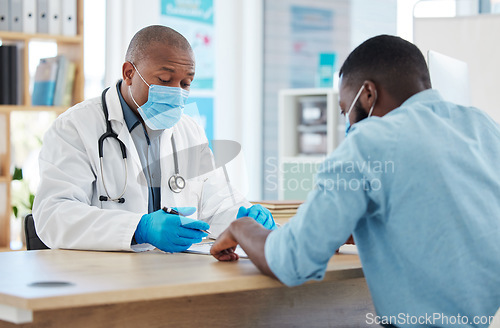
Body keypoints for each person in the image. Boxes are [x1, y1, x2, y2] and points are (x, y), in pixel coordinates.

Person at [211, 35, 500, 327]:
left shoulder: (368, 142)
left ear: (368, 94)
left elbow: (291, 261)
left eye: (344, 110)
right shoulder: (484, 127)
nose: (347, 124)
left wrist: (242, 227)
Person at [33, 25, 275, 252]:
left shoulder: (189, 130)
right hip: (101, 275)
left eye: (186, 83)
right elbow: (53, 215)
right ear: (129, 73)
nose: (177, 92)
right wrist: (138, 228)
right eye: (165, 80)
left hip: (171, 273)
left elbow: (215, 201)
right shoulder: (75, 127)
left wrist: (241, 218)